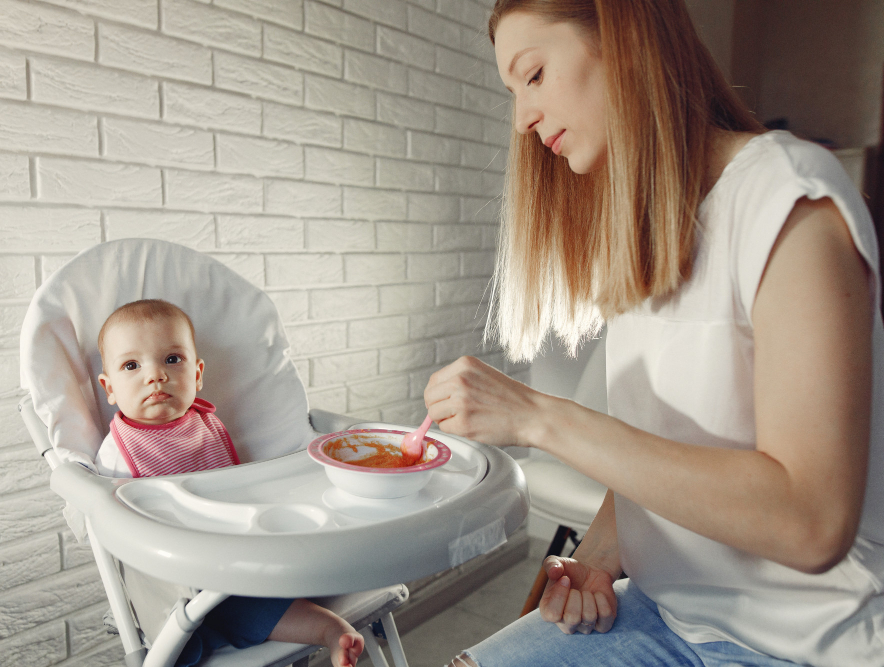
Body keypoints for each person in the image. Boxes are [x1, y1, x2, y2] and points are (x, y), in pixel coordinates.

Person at [424, 1, 884, 666]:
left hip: (807, 645)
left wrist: (539, 417)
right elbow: (670, 452)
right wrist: (597, 556)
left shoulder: (789, 199)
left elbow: (811, 522)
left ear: (623, 39)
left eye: (533, 76)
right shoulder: (651, 235)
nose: (521, 119)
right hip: (669, 615)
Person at [95, 299, 364, 667]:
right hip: (181, 578)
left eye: (172, 359)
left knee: (290, 583)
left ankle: (328, 623)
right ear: (109, 389)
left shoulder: (207, 427)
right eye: (132, 365)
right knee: (224, 614)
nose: (155, 375)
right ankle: (324, 627)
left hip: (238, 554)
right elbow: (111, 524)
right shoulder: (117, 454)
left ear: (198, 374)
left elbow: (238, 489)